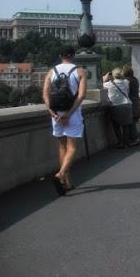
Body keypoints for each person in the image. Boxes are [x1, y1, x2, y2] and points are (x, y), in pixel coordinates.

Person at [42, 45, 87, 196]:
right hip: (72, 114)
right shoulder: (80, 71)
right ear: (73, 55)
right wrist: (69, 113)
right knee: (72, 147)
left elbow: (45, 95)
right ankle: (61, 174)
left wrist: (52, 113)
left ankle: (67, 183)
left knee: (62, 146)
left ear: (60, 55)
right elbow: (81, 96)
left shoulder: (51, 72)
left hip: (56, 114)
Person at [103, 68, 133, 149]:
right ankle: (126, 143)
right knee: (125, 126)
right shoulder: (127, 82)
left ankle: (120, 142)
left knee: (116, 126)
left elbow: (100, 84)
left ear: (113, 75)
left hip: (115, 106)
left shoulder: (108, 84)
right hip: (127, 105)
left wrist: (105, 77)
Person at [123, 64, 140, 147]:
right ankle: (133, 138)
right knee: (133, 121)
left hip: (131, 103)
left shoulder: (126, 81)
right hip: (136, 102)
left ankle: (135, 139)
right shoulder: (135, 80)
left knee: (132, 122)